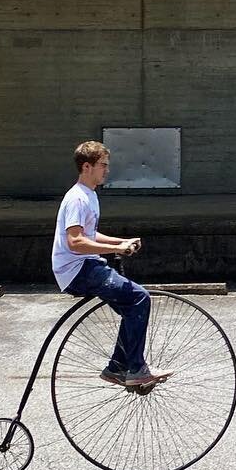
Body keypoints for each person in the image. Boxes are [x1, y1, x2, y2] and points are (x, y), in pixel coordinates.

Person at [52, 140, 169, 388]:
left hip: (86, 265)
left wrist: (121, 240)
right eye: (103, 165)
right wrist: (116, 249)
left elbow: (90, 234)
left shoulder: (90, 195)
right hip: (76, 270)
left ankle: (117, 368)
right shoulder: (77, 199)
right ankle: (135, 369)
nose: (107, 170)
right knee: (140, 298)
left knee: (133, 306)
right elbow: (75, 241)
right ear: (87, 166)